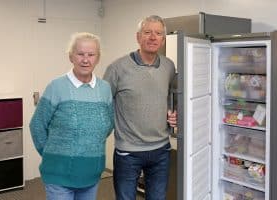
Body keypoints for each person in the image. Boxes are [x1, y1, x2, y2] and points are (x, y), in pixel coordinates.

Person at [29, 32, 114, 200]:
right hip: (58, 174)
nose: (85, 59)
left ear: (97, 58)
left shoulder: (104, 88)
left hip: (92, 173)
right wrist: (50, 155)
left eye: (91, 55)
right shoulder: (57, 86)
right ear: (71, 57)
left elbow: (109, 124)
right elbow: (37, 125)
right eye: (80, 54)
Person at [103, 15, 177, 200]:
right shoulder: (117, 68)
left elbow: (171, 98)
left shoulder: (169, 66)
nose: (153, 37)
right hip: (128, 152)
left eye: (158, 33)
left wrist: (175, 114)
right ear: (138, 37)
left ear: (163, 40)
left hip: (161, 150)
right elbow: (102, 104)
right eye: (147, 32)